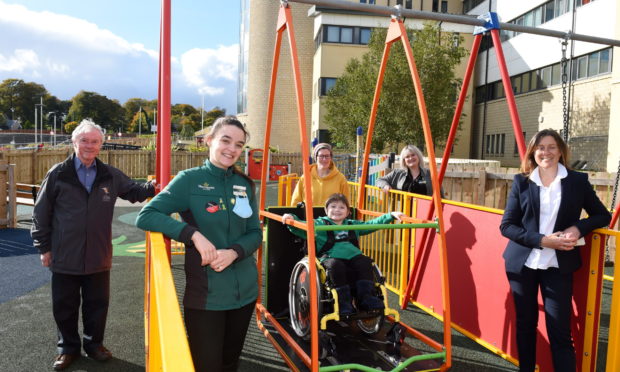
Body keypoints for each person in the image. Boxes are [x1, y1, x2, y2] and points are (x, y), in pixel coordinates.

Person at [135, 116, 261, 372]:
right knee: (206, 365)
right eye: (226, 140)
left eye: (239, 145)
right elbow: (146, 215)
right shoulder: (189, 180)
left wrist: (234, 253)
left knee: (229, 362)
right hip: (207, 297)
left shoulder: (244, 185)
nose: (232, 149)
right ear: (209, 140)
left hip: (246, 294)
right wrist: (192, 234)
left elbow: (255, 233)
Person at [31, 119, 156, 371]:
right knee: (64, 305)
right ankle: (67, 348)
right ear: (74, 142)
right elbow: (40, 213)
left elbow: (134, 191)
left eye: (95, 141)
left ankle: (94, 345)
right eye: (84, 140)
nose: (89, 146)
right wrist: (44, 247)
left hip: (98, 254)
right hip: (64, 253)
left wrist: (157, 187)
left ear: (101, 144)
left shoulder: (109, 174)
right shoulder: (58, 174)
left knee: (97, 304)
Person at [499, 129, 610, 372]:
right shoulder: (522, 181)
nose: (546, 152)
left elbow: (603, 215)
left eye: (551, 147)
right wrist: (541, 240)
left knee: (560, 329)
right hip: (523, 264)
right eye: (540, 147)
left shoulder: (577, 181)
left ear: (560, 150)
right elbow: (507, 226)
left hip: (558, 266)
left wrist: (577, 228)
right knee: (526, 325)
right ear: (533, 152)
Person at [282, 193, 404, 314]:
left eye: (341, 207)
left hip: (353, 257)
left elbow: (371, 224)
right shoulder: (320, 223)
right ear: (326, 210)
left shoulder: (352, 224)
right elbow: (302, 227)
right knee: (336, 266)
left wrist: (390, 215)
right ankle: (343, 303)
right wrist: (291, 217)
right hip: (330, 257)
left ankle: (366, 299)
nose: (337, 210)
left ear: (347, 212)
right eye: (333, 206)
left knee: (365, 262)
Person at [376, 144, 441, 197]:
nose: (410, 158)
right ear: (404, 160)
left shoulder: (430, 174)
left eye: (413, 155)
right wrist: (385, 185)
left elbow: (440, 194)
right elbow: (379, 180)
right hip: (402, 211)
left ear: (418, 156)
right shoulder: (397, 173)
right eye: (407, 157)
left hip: (423, 211)